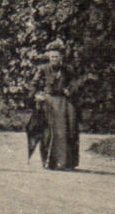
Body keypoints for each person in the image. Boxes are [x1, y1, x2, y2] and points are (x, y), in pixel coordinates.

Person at [33, 40, 82, 170]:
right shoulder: (43, 69)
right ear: (48, 57)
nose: (54, 59)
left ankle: (67, 162)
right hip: (49, 101)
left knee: (69, 130)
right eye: (52, 56)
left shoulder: (67, 69)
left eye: (57, 56)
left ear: (61, 57)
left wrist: (70, 90)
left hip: (64, 102)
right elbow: (34, 84)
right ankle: (49, 162)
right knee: (48, 132)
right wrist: (38, 95)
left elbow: (74, 83)